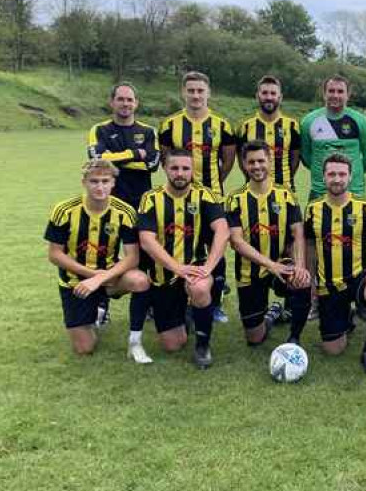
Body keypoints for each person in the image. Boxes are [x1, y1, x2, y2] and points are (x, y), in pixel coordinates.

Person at [44, 159, 151, 361]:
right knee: (85, 348)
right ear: (84, 182)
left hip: (110, 277)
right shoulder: (64, 210)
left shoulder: (125, 212)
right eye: (94, 181)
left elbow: (133, 258)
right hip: (76, 281)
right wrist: (93, 276)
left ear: (113, 183)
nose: (100, 187)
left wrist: (101, 279)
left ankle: (135, 342)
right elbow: (55, 254)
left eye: (105, 181)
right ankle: (95, 313)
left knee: (140, 280)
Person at [137, 149, 229, 369]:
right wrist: (177, 268)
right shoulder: (151, 198)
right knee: (172, 345)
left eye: (185, 168)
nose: (180, 173)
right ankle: (188, 313)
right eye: (175, 168)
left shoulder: (205, 195)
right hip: (164, 273)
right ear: (165, 168)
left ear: (192, 170)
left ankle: (203, 345)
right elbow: (146, 240)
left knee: (198, 288)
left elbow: (223, 230)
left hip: (196, 267)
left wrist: (207, 268)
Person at [304, 153, 366, 377]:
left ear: (351, 176)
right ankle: (347, 318)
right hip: (328, 284)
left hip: (358, 276)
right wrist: (312, 282)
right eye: (332, 174)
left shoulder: (365, 207)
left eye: (342, 174)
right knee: (333, 350)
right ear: (323, 177)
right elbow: (310, 249)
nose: (337, 179)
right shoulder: (313, 209)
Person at [158, 71, 237, 323]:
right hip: (179, 200)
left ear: (208, 93)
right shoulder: (170, 125)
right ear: (183, 92)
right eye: (191, 90)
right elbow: (166, 159)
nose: (195, 95)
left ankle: (214, 304)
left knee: (217, 250)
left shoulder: (222, 125)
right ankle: (175, 299)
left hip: (212, 198)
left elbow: (228, 160)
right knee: (178, 246)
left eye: (200, 90)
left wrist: (213, 186)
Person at [225, 141, 313, 348]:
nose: (257, 166)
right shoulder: (235, 199)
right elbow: (236, 242)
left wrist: (299, 265)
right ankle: (271, 315)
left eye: (261, 161)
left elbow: (297, 232)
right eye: (251, 162)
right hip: (250, 272)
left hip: (282, 263)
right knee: (254, 339)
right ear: (244, 165)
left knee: (302, 280)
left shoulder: (286, 195)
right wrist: (270, 265)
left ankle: (294, 338)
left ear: (270, 161)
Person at [300, 75, 366, 199]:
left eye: (340, 91)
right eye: (331, 91)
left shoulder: (360, 121)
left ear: (348, 95)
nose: (335, 95)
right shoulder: (309, 121)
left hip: (354, 191)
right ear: (324, 94)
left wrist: (352, 172)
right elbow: (306, 157)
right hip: (320, 192)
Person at [86, 83, 160, 207]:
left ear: (136, 103)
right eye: (120, 99)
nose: (125, 103)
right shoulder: (99, 130)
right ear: (111, 102)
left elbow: (152, 165)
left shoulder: (149, 132)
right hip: (108, 202)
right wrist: (135, 154)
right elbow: (97, 161)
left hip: (141, 203)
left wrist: (112, 159)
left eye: (129, 100)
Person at [237, 75, 301, 192]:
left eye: (273, 93)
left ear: (280, 97)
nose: (269, 97)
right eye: (265, 93)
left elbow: (295, 159)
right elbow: (242, 160)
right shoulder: (245, 127)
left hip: (285, 191)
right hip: (253, 191)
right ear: (257, 96)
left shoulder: (292, 126)